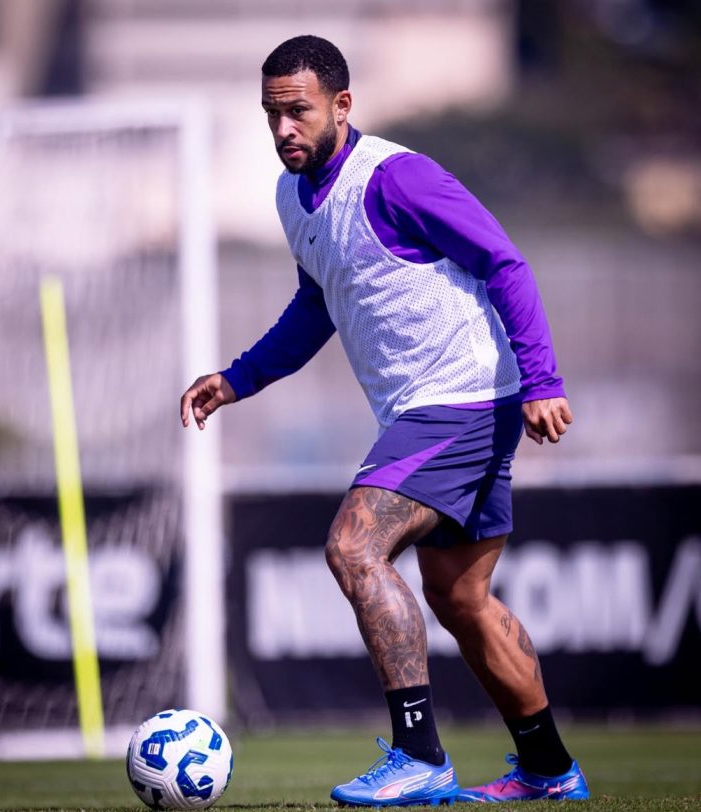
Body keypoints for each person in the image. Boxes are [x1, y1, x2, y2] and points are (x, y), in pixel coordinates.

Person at [180, 35, 589, 805]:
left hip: (462, 401)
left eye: (297, 111)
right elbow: (317, 304)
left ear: (341, 105)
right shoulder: (291, 197)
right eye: (270, 114)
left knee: (353, 546)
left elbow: (503, 262)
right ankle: (548, 769)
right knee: (460, 598)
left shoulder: (398, 178)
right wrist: (237, 378)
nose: (282, 129)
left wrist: (542, 378)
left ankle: (418, 754)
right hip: (433, 409)